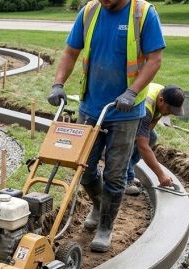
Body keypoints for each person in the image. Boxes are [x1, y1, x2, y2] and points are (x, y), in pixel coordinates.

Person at [48, 0, 165, 252]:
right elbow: (70, 52)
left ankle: (105, 226)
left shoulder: (143, 13)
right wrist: (58, 84)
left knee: (115, 173)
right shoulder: (89, 12)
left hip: (126, 111)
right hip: (90, 107)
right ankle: (100, 204)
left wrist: (132, 92)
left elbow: (155, 59)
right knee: (84, 169)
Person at [124, 83, 185, 195]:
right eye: (169, 110)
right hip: (123, 119)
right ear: (161, 100)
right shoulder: (148, 105)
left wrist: (141, 137)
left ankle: (128, 170)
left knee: (152, 137)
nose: (169, 113)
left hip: (137, 118)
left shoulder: (162, 94)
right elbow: (143, 146)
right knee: (129, 144)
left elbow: (151, 125)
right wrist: (161, 175)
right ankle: (125, 179)